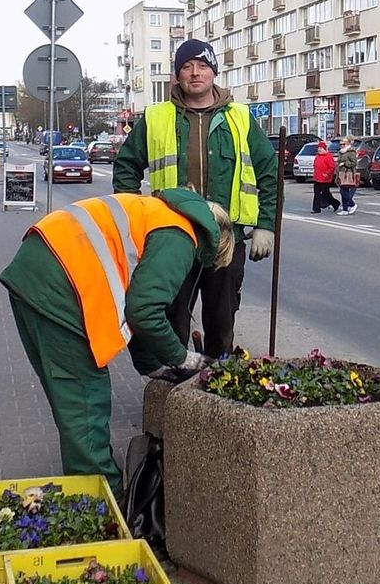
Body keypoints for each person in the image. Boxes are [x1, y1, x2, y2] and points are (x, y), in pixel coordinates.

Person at [0, 190, 234, 500]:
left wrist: (152, 366)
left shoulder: (160, 212)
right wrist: (183, 359)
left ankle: (90, 488)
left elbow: (134, 303)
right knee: (85, 398)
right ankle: (103, 502)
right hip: (60, 284)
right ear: (214, 248)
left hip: (39, 271)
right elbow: (144, 311)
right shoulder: (182, 237)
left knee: (71, 396)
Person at [112, 38, 277, 359]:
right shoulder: (156, 117)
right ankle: (171, 391)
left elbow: (269, 171)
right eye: (186, 67)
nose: (195, 73)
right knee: (172, 319)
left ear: (214, 72)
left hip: (226, 241)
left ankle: (215, 388)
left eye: (202, 66)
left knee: (222, 321)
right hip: (174, 239)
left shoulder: (239, 117)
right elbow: (126, 166)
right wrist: (134, 219)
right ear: (177, 75)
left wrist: (265, 225)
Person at [311, 140, 340, 214]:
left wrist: (327, 174)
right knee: (316, 193)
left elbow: (332, 167)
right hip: (317, 178)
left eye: (321, 148)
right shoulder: (317, 156)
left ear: (325, 149)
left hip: (325, 179)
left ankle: (335, 203)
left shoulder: (328, 156)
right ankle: (316, 209)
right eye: (319, 148)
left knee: (326, 193)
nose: (319, 150)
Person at [337, 136, 359, 216]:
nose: (342, 146)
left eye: (343, 144)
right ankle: (345, 209)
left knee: (343, 191)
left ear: (348, 144)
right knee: (343, 190)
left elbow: (354, 163)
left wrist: (345, 163)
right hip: (341, 173)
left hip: (349, 173)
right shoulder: (341, 152)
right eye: (341, 144)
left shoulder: (351, 152)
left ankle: (352, 204)